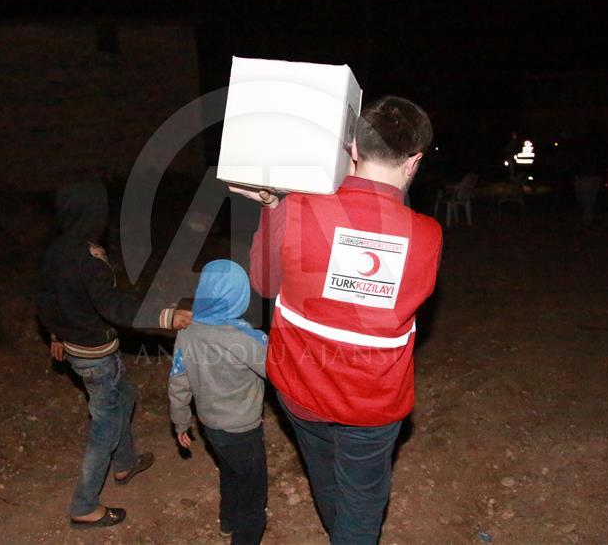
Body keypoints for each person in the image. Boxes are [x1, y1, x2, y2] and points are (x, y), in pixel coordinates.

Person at [235, 95, 443, 544]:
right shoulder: (427, 236)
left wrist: (273, 207)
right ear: (414, 162)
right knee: (362, 503)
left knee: (326, 478)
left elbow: (264, 284)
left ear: (352, 147)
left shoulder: (296, 208)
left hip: (301, 388)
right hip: (373, 403)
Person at [36, 181, 191, 530]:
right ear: (95, 214)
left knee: (126, 394)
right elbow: (112, 305)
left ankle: (125, 462)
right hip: (94, 354)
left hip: (78, 345)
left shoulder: (57, 249)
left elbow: (46, 295)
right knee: (104, 424)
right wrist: (166, 316)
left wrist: (55, 333)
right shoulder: (88, 259)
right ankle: (84, 505)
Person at [168, 259, 269, 545]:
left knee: (229, 471)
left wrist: (180, 422)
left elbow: (178, 383)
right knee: (253, 492)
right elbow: (279, 372)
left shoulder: (187, 331)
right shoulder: (247, 338)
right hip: (243, 430)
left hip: (210, 426)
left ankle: (228, 521)